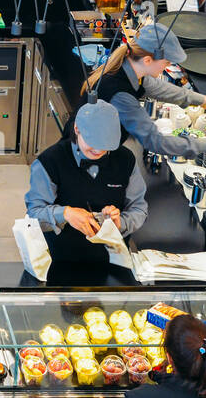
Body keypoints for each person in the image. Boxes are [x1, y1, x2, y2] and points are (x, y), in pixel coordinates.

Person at [85, 22, 206, 162]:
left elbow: (158, 88)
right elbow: (155, 142)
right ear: (147, 60)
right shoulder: (121, 94)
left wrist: (204, 100)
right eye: (167, 62)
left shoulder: (130, 69)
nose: (167, 66)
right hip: (89, 155)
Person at [25, 98, 146, 270]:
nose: (99, 151)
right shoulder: (50, 161)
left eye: (106, 146)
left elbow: (139, 209)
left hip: (113, 261)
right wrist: (65, 213)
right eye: (93, 143)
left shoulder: (126, 160)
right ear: (77, 129)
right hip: (61, 260)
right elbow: (33, 214)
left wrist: (120, 223)